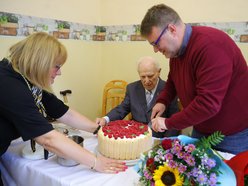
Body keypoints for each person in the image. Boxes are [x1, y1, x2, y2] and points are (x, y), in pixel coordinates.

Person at [0, 32, 127, 184]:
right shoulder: (9, 85)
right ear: (41, 62)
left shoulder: (28, 78)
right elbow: (47, 139)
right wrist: (95, 162)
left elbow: (64, 113)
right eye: (57, 66)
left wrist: (98, 130)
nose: (59, 72)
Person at [140, 4, 248, 154]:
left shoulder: (211, 46)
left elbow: (208, 104)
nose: (155, 50)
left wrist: (168, 122)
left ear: (171, 30)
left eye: (156, 43)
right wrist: (162, 101)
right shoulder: (176, 53)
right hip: (201, 129)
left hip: (232, 135)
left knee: (231, 176)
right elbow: (173, 80)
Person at [96, 56, 180, 138]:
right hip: (135, 138)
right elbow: (122, 109)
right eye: (143, 77)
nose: (146, 81)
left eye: (150, 76)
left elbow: (174, 118)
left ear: (159, 72)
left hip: (159, 138)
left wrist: (166, 141)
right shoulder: (132, 88)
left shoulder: (169, 89)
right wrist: (105, 119)